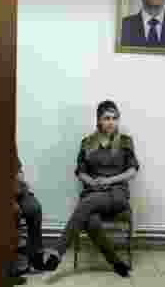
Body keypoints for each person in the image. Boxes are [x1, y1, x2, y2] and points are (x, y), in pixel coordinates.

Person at [42, 100, 139, 277]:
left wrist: (109, 180)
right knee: (91, 221)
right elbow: (80, 172)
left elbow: (132, 170)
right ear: (98, 120)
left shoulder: (125, 141)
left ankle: (57, 252)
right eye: (106, 118)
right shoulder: (87, 142)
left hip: (116, 194)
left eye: (114, 118)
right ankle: (116, 263)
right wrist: (92, 182)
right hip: (93, 192)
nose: (111, 122)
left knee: (85, 204)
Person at [12, 151, 46, 282]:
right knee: (13, 211)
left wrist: (19, 181)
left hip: (16, 189)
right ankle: (16, 262)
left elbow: (19, 171)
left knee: (34, 208)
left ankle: (35, 257)